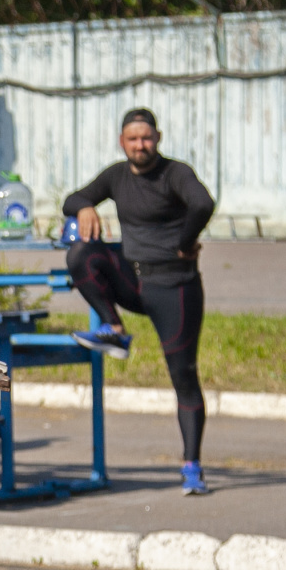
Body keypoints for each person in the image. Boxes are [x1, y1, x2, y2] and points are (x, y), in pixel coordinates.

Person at [62, 108, 218, 495]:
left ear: (158, 138)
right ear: (122, 142)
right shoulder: (117, 175)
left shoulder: (174, 173)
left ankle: (192, 466)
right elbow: (73, 198)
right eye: (133, 139)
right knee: (81, 254)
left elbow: (203, 204)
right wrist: (85, 207)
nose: (140, 145)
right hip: (133, 280)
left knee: (183, 377)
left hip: (175, 285)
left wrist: (184, 244)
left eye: (146, 138)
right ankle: (113, 329)